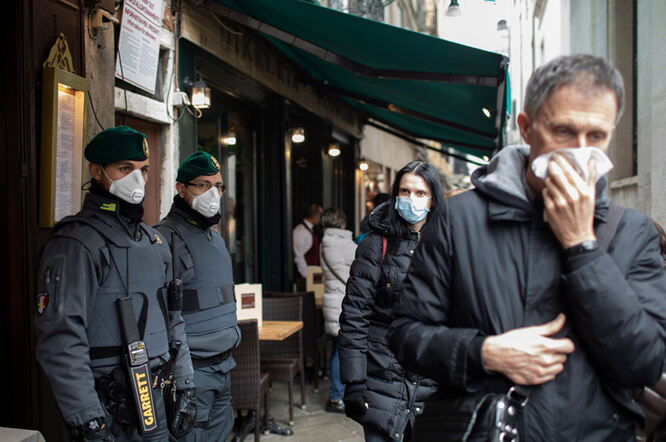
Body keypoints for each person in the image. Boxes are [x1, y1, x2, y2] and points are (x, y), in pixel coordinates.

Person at [389, 54, 666, 441]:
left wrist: (582, 246)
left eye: (597, 136)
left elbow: (644, 364)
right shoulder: (459, 218)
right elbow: (406, 334)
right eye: (564, 131)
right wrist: (484, 353)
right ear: (527, 128)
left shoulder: (634, 233)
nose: (580, 151)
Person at [35, 126, 196, 441]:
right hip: (110, 407)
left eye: (143, 170)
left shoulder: (154, 242)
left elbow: (174, 320)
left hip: (156, 404)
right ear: (96, 171)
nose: (138, 179)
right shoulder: (76, 243)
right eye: (125, 168)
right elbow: (61, 339)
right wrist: (89, 421)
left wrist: (186, 382)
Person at [339, 161, 445, 442]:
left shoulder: (448, 246)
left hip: (431, 384)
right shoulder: (375, 244)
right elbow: (355, 315)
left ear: (433, 198)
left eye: (420, 193)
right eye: (405, 191)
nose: (411, 199)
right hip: (381, 380)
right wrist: (354, 381)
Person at [155, 151, 241, 441]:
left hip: (224, 368)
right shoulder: (163, 239)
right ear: (181, 188)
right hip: (191, 376)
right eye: (203, 185)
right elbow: (160, 319)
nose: (213, 193)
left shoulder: (215, 239)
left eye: (218, 186)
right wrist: (181, 378)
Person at [318, 208, 357, 413]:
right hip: (342, 302)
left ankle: (338, 394)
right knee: (341, 351)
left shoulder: (327, 242)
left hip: (335, 299)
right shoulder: (338, 242)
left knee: (338, 348)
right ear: (340, 222)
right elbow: (355, 270)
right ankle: (335, 397)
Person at [293, 203, 323, 279]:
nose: (321, 219)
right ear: (315, 216)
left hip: (312, 275)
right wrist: (307, 276)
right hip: (304, 278)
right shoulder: (300, 231)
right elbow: (299, 256)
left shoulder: (310, 230)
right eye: (320, 215)